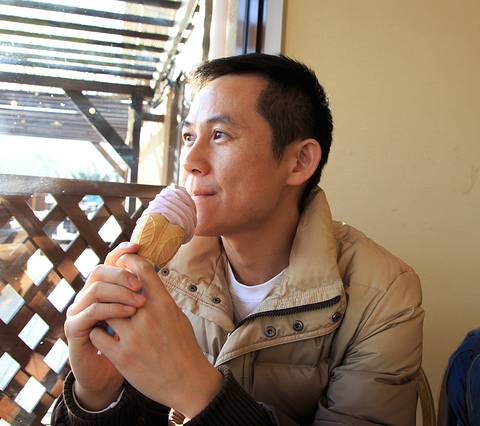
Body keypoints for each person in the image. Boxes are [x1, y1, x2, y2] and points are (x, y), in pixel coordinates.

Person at [52, 53, 424, 425]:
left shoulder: (384, 293)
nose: (190, 160)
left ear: (299, 162)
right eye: (189, 136)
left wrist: (196, 388)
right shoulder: (160, 273)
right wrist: (97, 397)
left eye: (219, 135)